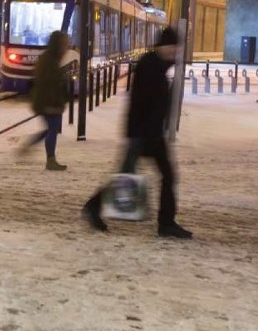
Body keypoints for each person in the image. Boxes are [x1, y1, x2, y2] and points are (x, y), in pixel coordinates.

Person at [82, 27, 192, 239]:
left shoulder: (157, 65)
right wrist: (137, 134)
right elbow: (138, 103)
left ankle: (95, 207)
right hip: (144, 134)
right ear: (163, 45)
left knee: (135, 175)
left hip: (149, 132)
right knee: (153, 176)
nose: (175, 51)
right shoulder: (149, 66)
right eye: (173, 47)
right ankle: (165, 223)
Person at [21, 30, 70, 171]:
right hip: (48, 102)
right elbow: (49, 83)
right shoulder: (49, 60)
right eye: (64, 43)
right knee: (52, 130)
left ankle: (32, 147)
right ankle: (50, 160)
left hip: (50, 102)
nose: (67, 46)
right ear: (57, 44)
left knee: (50, 130)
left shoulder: (52, 58)